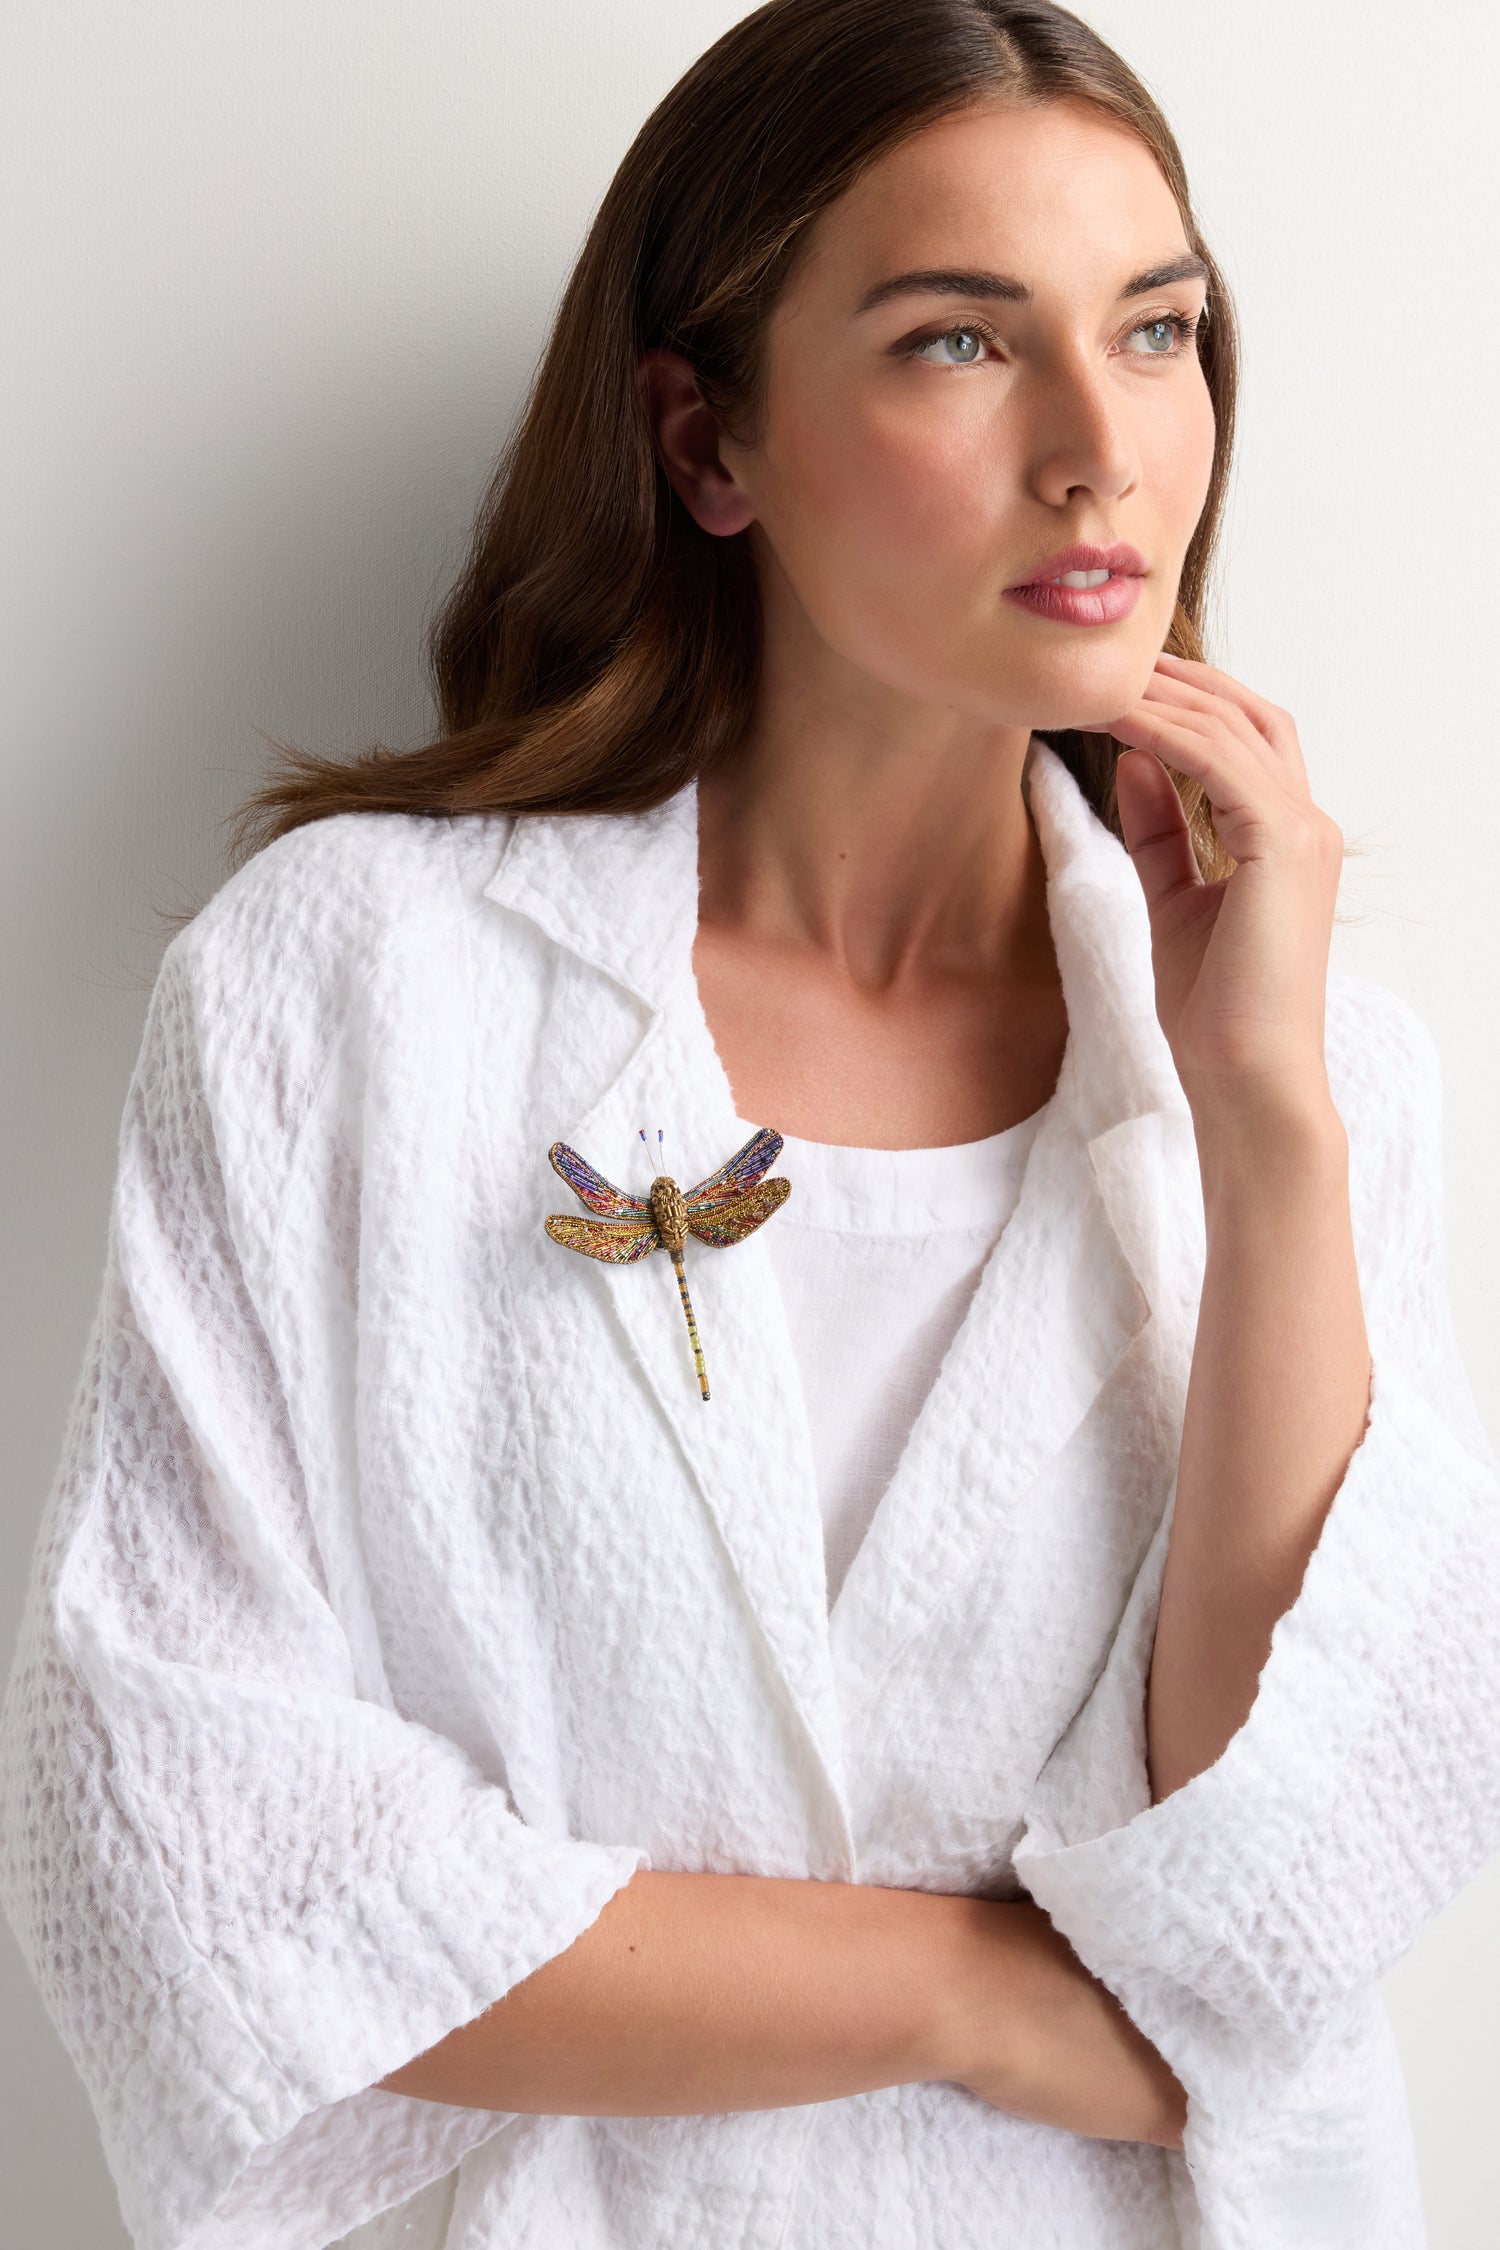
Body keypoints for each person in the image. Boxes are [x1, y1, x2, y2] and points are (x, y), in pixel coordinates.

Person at [3, 1, 1498, 2245]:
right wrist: (975, 1994)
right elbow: (186, 1825)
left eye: (1159, 329)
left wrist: (1263, 1114)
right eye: (959, 342)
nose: (1101, 449)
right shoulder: (355, 987)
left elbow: (1284, 1880)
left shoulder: (1314, 1071)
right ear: (708, 443)